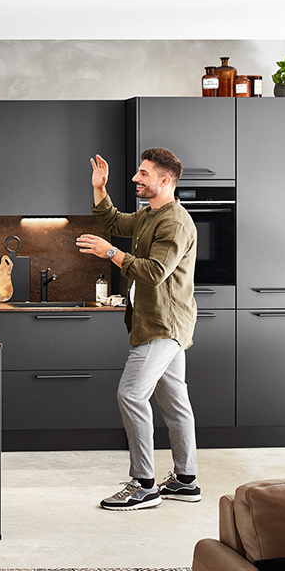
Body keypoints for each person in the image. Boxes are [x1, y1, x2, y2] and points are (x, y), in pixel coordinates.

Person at [76, 149, 201, 511]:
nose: (136, 179)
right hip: (158, 320)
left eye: (143, 174)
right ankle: (186, 480)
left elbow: (154, 272)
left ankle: (144, 484)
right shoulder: (150, 214)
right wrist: (100, 189)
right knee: (175, 401)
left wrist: (110, 253)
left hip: (162, 324)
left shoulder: (175, 223)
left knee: (131, 395)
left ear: (165, 181)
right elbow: (115, 221)